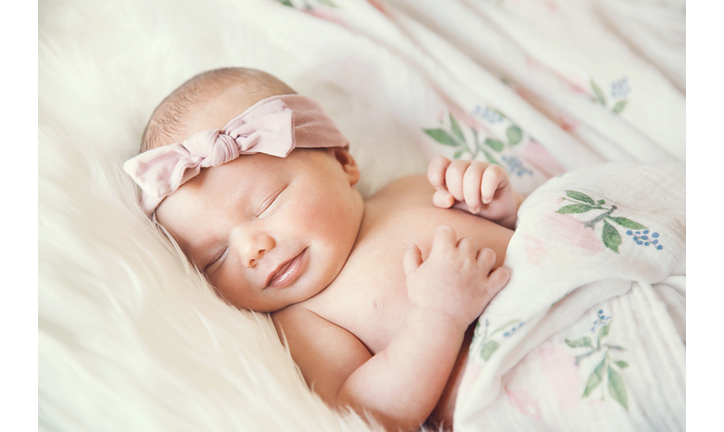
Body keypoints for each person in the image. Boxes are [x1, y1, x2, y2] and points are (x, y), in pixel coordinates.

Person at [124, 67, 525, 431]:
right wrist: (439, 317)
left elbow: (530, 231)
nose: (251, 250)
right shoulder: (306, 321)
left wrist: (502, 207)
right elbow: (367, 412)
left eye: (267, 203)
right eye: (215, 257)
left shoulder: (411, 187)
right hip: (527, 379)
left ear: (342, 160)